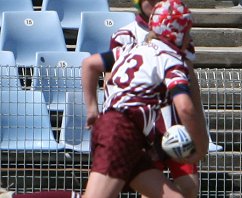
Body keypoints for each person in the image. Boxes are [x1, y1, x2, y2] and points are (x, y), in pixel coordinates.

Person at [81, 0, 209, 197]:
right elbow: (185, 108)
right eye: (187, 31)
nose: (189, 37)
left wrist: (92, 109)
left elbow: (90, 64)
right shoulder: (170, 58)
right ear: (178, 32)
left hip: (123, 132)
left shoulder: (133, 49)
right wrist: (200, 148)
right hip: (121, 131)